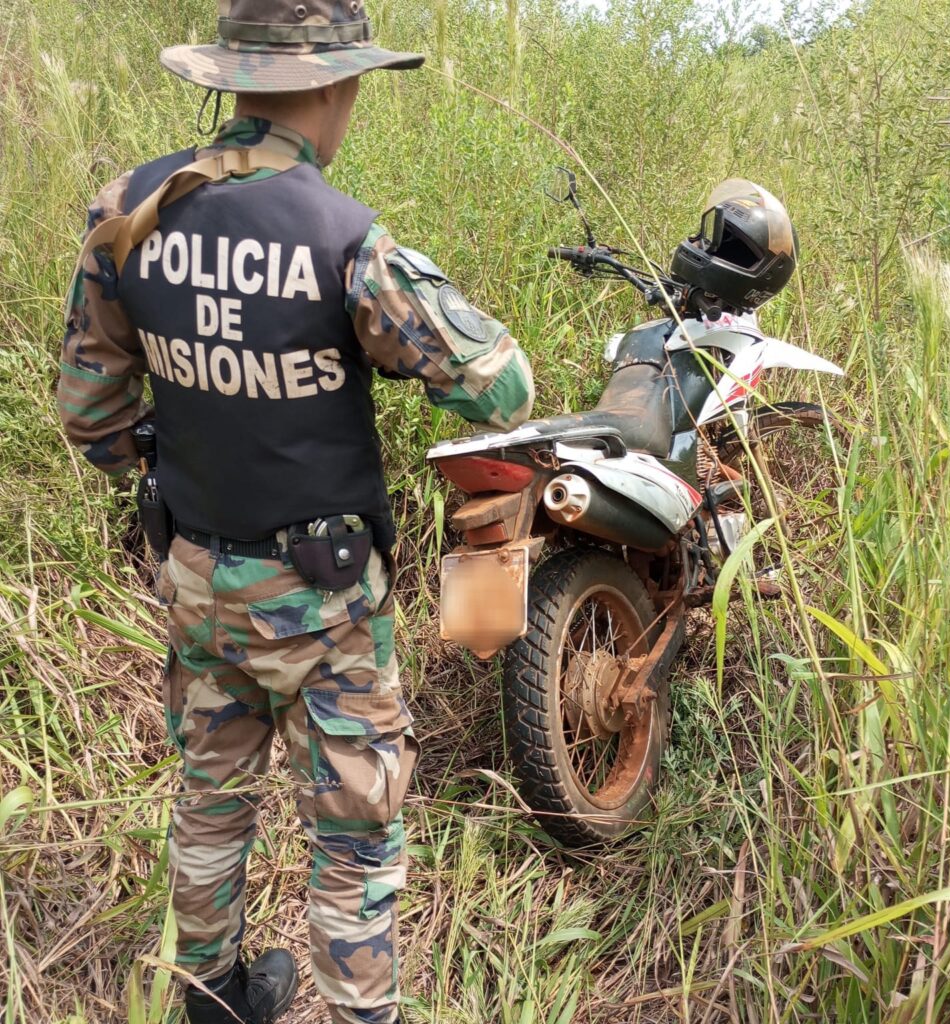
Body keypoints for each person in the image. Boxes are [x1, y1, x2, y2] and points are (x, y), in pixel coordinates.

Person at [56, 2, 535, 1022]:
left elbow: (90, 420)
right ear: (334, 86)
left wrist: (189, 446)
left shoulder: (130, 211)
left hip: (195, 575)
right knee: (355, 827)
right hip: (324, 602)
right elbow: (501, 388)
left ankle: (213, 994)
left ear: (232, 79)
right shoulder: (343, 237)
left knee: (211, 795)